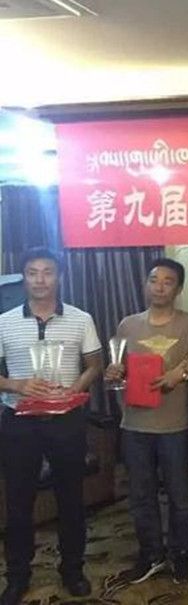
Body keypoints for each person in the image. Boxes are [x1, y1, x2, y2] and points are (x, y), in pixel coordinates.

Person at [0, 248, 103, 605]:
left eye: (47, 272)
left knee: (71, 498)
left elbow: (95, 365)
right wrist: (17, 385)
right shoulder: (4, 321)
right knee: (18, 501)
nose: (40, 279)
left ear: (59, 276)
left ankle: (73, 569)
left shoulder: (81, 318)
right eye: (32, 272)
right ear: (24, 278)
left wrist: (74, 388)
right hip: (19, 422)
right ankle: (17, 576)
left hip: (66, 420)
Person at [105, 258, 188, 585]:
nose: (159, 286)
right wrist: (114, 372)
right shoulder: (128, 325)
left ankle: (181, 552)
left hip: (174, 425)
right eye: (153, 279)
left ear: (178, 288)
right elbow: (119, 369)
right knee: (140, 496)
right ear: (145, 284)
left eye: (167, 281)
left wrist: (181, 373)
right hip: (134, 424)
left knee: (179, 496)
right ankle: (151, 553)